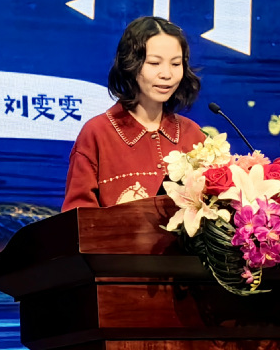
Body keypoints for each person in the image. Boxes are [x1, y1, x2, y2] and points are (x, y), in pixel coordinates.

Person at [62, 16, 206, 210]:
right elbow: (77, 219)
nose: (167, 74)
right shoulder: (97, 133)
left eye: (175, 64)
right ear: (130, 64)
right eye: (154, 63)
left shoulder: (192, 134)